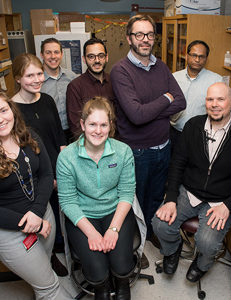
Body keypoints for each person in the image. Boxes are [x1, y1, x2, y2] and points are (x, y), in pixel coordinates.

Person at [152, 82, 231, 283]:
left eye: (220, 99)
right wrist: (172, 198)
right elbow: (177, 164)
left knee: (207, 243)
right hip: (189, 192)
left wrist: (229, 205)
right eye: (210, 99)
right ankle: (173, 250)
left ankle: (202, 264)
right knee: (160, 225)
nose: (214, 104)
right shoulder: (193, 125)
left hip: (221, 200)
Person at [110, 15, 186, 264]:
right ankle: (134, 247)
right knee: (135, 203)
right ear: (129, 38)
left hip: (164, 147)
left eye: (150, 34)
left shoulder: (161, 66)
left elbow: (181, 100)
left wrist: (149, 109)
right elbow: (136, 115)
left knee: (155, 198)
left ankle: (151, 234)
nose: (146, 40)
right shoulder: (121, 71)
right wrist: (165, 99)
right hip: (137, 152)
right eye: (140, 34)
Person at [57, 97, 136, 300]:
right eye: (92, 124)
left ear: (110, 126)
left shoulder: (123, 152)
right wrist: (91, 233)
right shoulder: (67, 157)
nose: (98, 131)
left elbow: (127, 193)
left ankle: (121, 282)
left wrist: (114, 229)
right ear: (82, 124)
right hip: (83, 215)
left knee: (121, 264)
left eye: (103, 125)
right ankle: (101, 288)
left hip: (115, 211)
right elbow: (67, 201)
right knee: (97, 270)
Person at [0, 92, 72, 299]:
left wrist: (38, 212)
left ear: (12, 110)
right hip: (11, 232)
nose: (1, 119)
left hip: (43, 214)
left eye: (3, 110)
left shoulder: (28, 135)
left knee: (44, 269)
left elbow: (46, 174)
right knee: (48, 288)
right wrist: (32, 222)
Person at [12, 53, 67, 276]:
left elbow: (58, 134)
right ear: (17, 78)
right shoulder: (11, 109)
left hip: (57, 164)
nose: (37, 79)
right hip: (34, 173)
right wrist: (47, 176)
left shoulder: (47, 100)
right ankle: (50, 255)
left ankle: (66, 247)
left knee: (62, 209)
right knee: (45, 214)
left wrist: (62, 166)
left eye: (39, 74)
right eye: (29, 75)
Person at [170, 40, 223, 148]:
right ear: (186, 56)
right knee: (173, 164)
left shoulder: (216, 81)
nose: (197, 59)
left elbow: (221, 111)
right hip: (174, 133)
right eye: (194, 55)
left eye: (201, 56)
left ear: (206, 59)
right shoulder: (174, 78)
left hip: (201, 136)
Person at [66, 38, 115, 138]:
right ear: (84, 59)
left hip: (114, 144)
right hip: (90, 147)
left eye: (101, 56)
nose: (97, 60)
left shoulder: (114, 81)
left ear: (106, 57)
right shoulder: (75, 86)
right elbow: (75, 125)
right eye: (91, 57)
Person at [40, 37, 77, 143]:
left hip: (72, 133)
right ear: (42, 55)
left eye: (56, 52)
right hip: (49, 134)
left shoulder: (71, 77)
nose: (53, 56)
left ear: (61, 54)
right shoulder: (37, 81)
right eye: (48, 52)